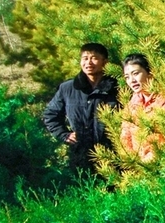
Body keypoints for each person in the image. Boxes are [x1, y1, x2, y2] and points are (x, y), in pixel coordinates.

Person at [42, 42, 121, 173]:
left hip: (113, 154)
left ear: (105, 62)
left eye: (94, 58)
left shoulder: (117, 88)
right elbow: (50, 114)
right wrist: (64, 135)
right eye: (85, 58)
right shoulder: (68, 88)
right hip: (80, 154)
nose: (88, 62)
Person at [119, 53, 165, 162]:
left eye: (135, 74)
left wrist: (157, 155)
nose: (131, 80)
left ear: (150, 73)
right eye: (127, 77)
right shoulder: (131, 105)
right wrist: (133, 163)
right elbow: (125, 139)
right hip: (142, 168)